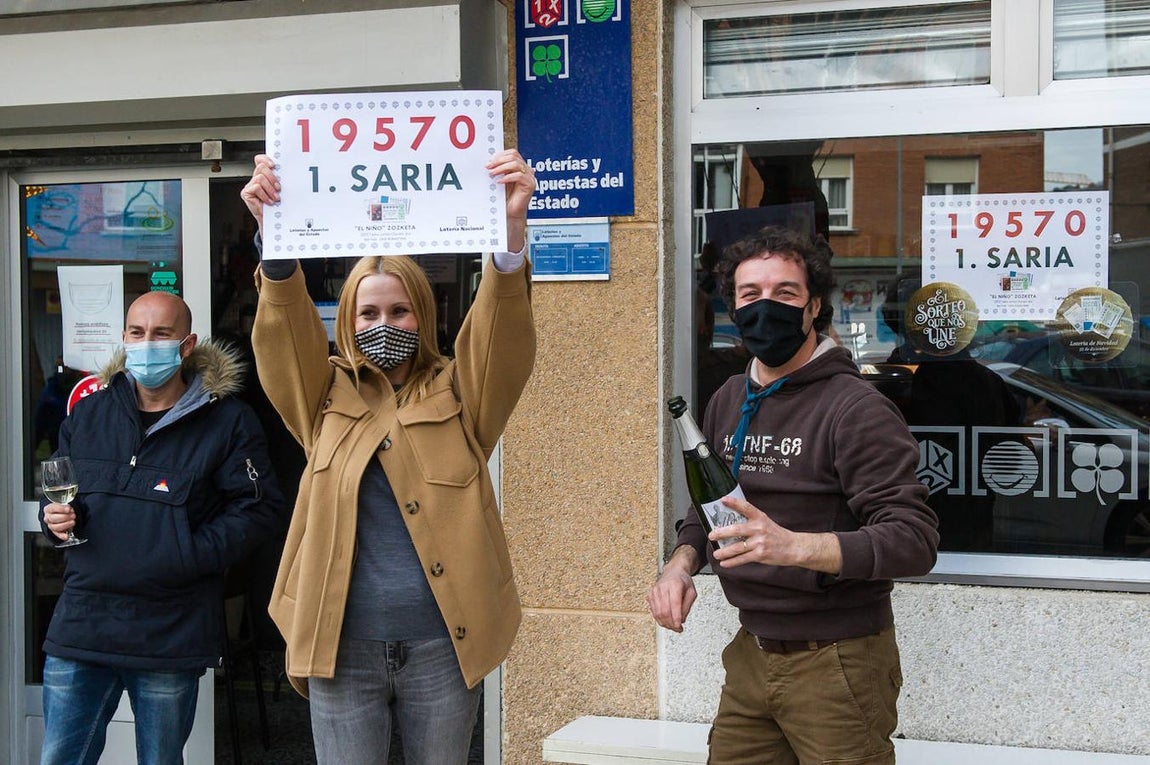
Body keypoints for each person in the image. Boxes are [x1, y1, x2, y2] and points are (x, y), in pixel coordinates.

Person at [240, 147, 536, 764]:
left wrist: (509, 242)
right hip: (340, 649)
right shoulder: (320, 397)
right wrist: (277, 244)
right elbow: (282, 334)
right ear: (345, 322)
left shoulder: (461, 393)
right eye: (368, 312)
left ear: (422, 316)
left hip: (441, 650)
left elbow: (499, 338)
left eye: (399, 310)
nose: (384, 322)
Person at [648, 226, 939, 764]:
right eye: (749, 294)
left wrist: (793, 547)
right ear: (732, 308)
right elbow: (711, 508)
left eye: (785, 293)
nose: (766, 308)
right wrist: (680, 564)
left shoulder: (856, 409)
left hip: (838, 662)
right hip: (750, 652)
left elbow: (913, 541)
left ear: (814, 307)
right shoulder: (730, 397)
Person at [37, 291, 287, 765]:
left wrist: (187, 552)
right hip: (82, 625)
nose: (146, 343)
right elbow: (59, 495)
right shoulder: (90, 414)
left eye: (161, 334)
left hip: (169, 631)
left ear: (187, 344)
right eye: (137, 332)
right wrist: (55, 523)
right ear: (125, 338)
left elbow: (258, 509)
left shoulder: (228, 421)